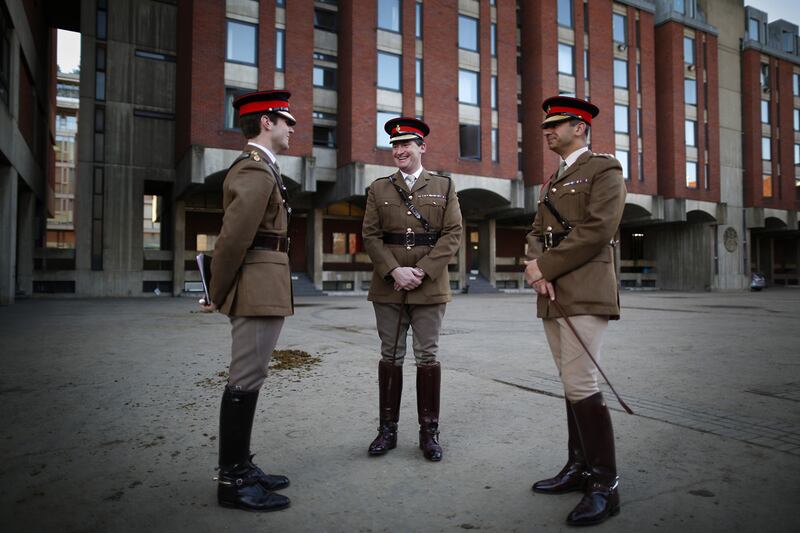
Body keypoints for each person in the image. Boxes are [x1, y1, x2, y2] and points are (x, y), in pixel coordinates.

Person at [523, 96, 626, 526]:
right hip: (552, 289)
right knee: (569, 381)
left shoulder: (604, 169)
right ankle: (578, 468)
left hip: (585, 286)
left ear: (580, 128)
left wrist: (544, 266)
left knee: (581, 382)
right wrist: (535, 267)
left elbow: (598, 229)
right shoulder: (553, 179)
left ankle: (606, 485)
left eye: (557, 125)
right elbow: (535, 231)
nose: (547, 130)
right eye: (546, 125)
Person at [201, 90, 296, 512]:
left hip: (265, 284)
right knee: (244, 378)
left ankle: (241, 464)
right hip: (256, 287)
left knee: (251, 376)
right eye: (286, 120)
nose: (292, 127)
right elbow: (233, 239)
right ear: (266, 123)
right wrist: (215, 292)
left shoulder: (265, 169)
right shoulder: (254, 171)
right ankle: (232, 480)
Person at [361, 117, 462, 461]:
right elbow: (371, 236)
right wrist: (394, 270)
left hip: (428, 286)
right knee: (390, 356)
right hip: (389, 286)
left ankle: (428, 433)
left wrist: (421, 270)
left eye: (406, 144)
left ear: (422, 147)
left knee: (427, 357)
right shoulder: (378, 188)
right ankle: (386, 431)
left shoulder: (445, 187)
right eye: (394, 145)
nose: (399, 150)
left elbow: (453, 235)